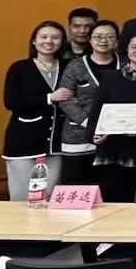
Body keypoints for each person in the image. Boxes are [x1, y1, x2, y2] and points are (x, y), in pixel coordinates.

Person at [2, 21, 71, 200]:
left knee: (51, 195)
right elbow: (10, 102)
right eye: (44, 37)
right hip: (23, 142)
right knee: (21, 196)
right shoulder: (19, 68)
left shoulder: (69, 67)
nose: (49, 41)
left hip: (56, 144)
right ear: (34, 40)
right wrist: (49, 98)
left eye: (55, 37)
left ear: (62, 41)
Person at [92, 33, 136, 202]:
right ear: (126, 49)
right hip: (110, 148)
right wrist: (94, 134)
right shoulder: (110, 77)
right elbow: (97, 108)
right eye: (134, 47)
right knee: (109, 201)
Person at [56, 19, 122, 186]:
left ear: (116, 40)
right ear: (90, 40)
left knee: (110, 189)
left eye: (109, 37)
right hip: (78, 137)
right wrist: (90, 123)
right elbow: (66, 98)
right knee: (76, 190)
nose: (103, 41)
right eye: (98, 36)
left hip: (115, 138)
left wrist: (111, 125)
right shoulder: (75, 65)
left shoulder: (125, 65)